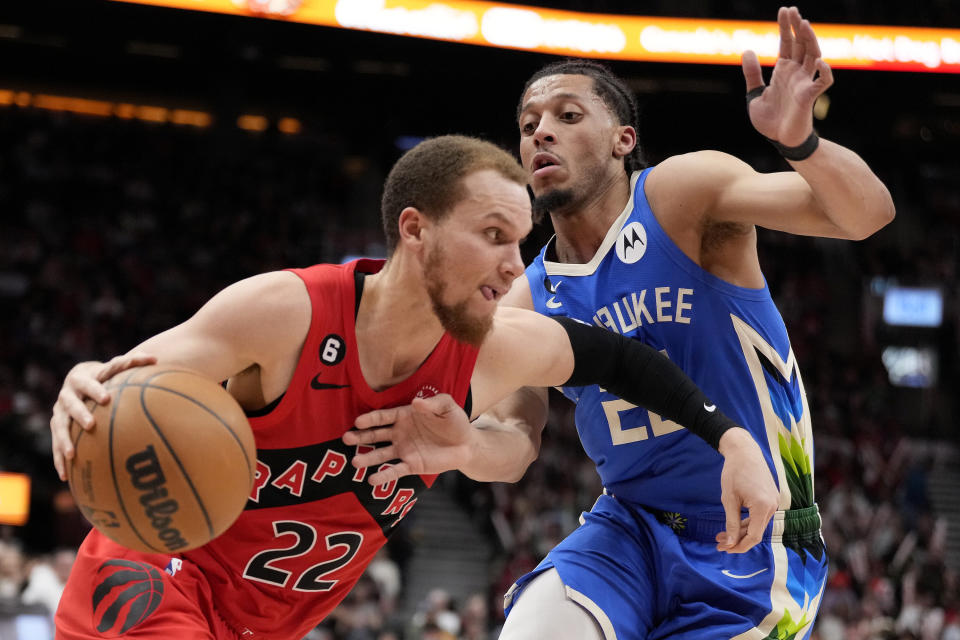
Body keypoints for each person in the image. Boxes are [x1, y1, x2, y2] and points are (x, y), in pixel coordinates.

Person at [48, 135, 771, 640]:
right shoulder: (285, 314)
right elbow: (130, 381)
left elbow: (620, 362)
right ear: (415, 230)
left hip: (263, 624)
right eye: (493, 234)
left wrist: (731, 438)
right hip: (155, 580)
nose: (515, 266)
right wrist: (85, 385)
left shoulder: (487, 355)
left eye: (520, 243)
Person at [345, 7, 895, 640]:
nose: (540, 134)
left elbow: (866, 216)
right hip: (627, 530)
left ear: (622, 140)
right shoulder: (526, 297)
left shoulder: (682, 195)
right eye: (528, 126)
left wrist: (802, 144)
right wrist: (467, 447)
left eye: (567, 117)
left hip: (756, 539)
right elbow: (516, 442)